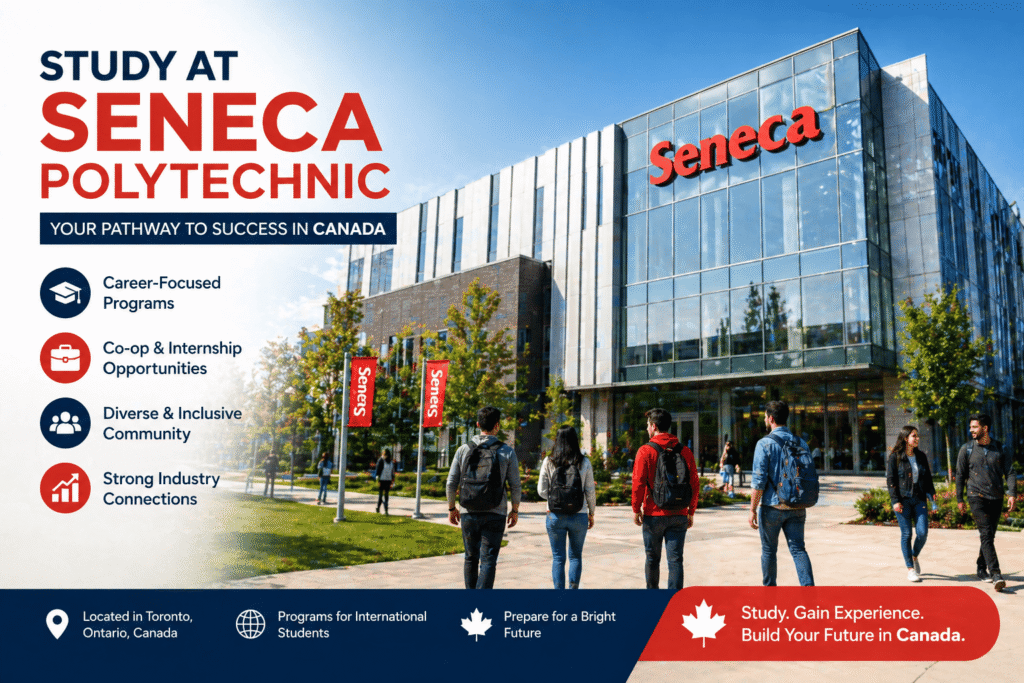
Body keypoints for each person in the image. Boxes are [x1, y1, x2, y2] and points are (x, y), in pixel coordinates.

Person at [446, 406, 522, 589]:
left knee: (470, 557)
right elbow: (515, 485)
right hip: (496, 512)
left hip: (468, 511)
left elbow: (451, 483)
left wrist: (451, 508)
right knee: (488, 560)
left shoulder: (463, 449)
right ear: (497, 425)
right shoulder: (507, 451)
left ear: (478, 424)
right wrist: (515, 510)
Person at [631, 408, 699, 589]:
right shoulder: (685, 451)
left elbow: (638, 482)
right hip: (679, 514)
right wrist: (690, 511)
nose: (647, 429)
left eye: (647, 426)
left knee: (652, 559)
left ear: (653, 426)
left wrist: (636, 509)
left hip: (654, 514)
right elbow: (694, 483)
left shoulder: (645, 451)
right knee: (676, 560)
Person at [749, 400, 815, 586]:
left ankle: (770, 594)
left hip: (772, 506)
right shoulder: (801, 442)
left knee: (769, 551)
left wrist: (752, 509)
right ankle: (808, 590)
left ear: (770, 419)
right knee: (798, 550)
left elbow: (759, 481)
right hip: (797, 504)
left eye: (764, 417)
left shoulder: (764, 444)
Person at [956, 413, 1017, 592]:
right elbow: (960, 476)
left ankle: (981, 567)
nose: (971, 430)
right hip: (976, 497)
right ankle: (996, 574)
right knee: (986, 534)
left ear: (985, 428)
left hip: (996, 497)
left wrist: (1011, 493)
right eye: (970, 427)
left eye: (974, 427)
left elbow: (1010, 472)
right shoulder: (966, 449)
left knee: (989, 535)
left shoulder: (1000, 448)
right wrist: (960, 499)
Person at [537, 426, 596, 589]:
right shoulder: (584, 462)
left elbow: (541, 491)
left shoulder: (549, 461)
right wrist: (591, 513)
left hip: (555, 516)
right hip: (579, 515)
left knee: (558, 558)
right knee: (576, 556)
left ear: (557, 440)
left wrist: (554, 498)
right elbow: (590, 491)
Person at [885, 425, 936, 582]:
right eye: (914, 436)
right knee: (906, 534)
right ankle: (910, 569)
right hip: (903, 501)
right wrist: (895, 501)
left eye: (917, 436)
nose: (917, 438)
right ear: (906, 438)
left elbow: (927, 478)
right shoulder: (895, 457)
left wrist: (932, 496)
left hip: (919, 499)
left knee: (922, 533)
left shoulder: (921, 456)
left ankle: (914, 555)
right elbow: (891, 480)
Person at [375, 448, 396, 514]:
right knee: (382, 495)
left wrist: (392, 481)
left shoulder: (385, 461)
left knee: (384, 495)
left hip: (386, 480)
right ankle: (379, 508)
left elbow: (392, 472)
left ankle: (385, 510)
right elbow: (378, 471)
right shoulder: (382, 460)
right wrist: (378, 480)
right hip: (383, 480)